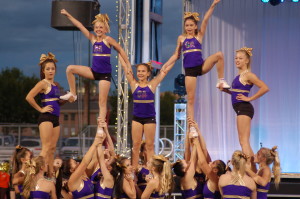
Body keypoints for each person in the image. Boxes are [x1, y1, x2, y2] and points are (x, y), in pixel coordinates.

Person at [60, 9, 131, 129]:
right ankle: (73, 93)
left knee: (101, 102)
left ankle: (101, 127)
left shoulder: (108, 40)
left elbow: (121, 50)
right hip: (93, 71)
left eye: (101, 27)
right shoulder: (93, 39)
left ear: (105, 29)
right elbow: (80, 25)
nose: (98, 29)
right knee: (70, 69)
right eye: (96, 27)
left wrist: (128, 65)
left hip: (104, 75)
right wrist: (68, 15)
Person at [164, 0, 230, 124]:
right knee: (191, 100)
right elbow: (175, 55)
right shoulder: (181, 38)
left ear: (195, 26)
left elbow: (205, 20)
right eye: (187, 25)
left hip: (201, 65)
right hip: (190, 71)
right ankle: (192, 124)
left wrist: (213, 5)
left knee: (219, 55)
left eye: (191, 25)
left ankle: (221, 80)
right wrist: (166, 65)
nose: (188, 27)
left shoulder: (198, 36)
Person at [119, 56, 176, 171]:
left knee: (149, 146)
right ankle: (133, 170)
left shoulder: (152, 84)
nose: (140, 73)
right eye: (138, 71)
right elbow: (125, 66)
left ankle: (151, 170)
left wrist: (175, 55)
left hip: (149, 118)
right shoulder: (134, 84)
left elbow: (165, 69)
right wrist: (118, 49)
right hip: (137, 119)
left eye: (143, 71)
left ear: (148, 73)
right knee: (136, 146)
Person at [219, 47, 269, 167]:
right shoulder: (239, 75)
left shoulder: (248, 75)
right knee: (244, 142)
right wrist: (226, 91)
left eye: (240, 58)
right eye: (236, 58)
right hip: (240, 108)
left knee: (243, 141)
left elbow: (265, 88)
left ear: (246, 61)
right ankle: (253, 169)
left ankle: (250, 169)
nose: (237, 60)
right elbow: (236, 94)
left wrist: (250, 98)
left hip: (244, 108)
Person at [26, 52, 65, 177]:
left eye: (52, 69)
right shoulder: (43, 83)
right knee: (46, 147)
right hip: (46, 118)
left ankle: (49, 175)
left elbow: (57, 103)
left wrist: (68, 98)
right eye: (48, 69)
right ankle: (33, 173)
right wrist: (40, 109)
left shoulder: (56, 85)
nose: (50, 71)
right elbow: (29, 97)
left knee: (52, 149)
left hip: (55, 119)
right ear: (43, 71)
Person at [189, 119, 226, 199]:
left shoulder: (215, 178)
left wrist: (196, 142)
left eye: (213, 163)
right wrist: (197, 130)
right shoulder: (210, 177)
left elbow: (203, 163)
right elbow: (204, 150)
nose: (210, 162)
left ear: (215, 170)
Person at [63, 133, 105, 199]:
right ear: (71, 170)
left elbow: (94, 159)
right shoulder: (72, 180)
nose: (77, 162)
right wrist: (95, 142)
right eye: (75, 163)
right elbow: (85, 162)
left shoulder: (84, 175)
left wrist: (100, 141)